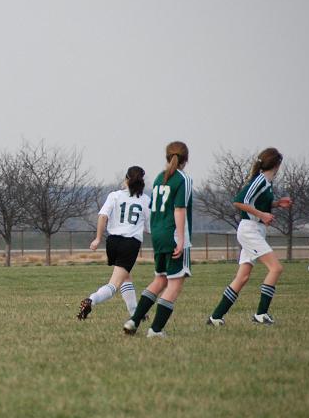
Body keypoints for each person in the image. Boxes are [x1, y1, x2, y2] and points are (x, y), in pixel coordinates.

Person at [207, 148, 291, 326]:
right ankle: (261, 315)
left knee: (243, 277)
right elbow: (238, 201)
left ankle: (215, 317)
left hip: (255, 230)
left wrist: (276, 204)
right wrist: (262, 214)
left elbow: (256, 203)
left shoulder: (267, 183)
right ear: (276, 165)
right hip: (249, 230)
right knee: (276, 268)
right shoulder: (260, 180)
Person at [123, 141, 193, 338]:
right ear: (185, 159)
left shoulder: (158, 178)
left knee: (160, 279)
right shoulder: (183, 179)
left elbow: (154, 208)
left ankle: (133, 320)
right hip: (173, 235)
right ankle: (155, 330)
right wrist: (180, 239)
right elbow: (179, 210)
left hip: (159, 234)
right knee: (174, 284)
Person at [78, 166, 150, 320]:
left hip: (112, 242)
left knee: (125, 276)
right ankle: (92, 300)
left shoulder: (114, 195)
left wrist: (98, 238)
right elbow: (150, 228)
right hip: (130, 244)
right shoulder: (145, 200)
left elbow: (103, 216)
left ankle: (136, 314)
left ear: (126, 179)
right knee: (114, 285)